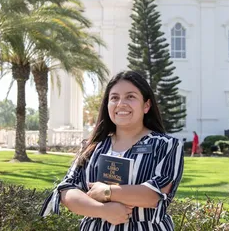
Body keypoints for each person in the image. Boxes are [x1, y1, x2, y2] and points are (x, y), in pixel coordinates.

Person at [41, 70, 184, 230]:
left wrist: (106, 192)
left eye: (131, 96)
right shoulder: (91, 146)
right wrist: (104, 211)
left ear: (146, 105)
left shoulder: (166, 145)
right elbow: (67, 190)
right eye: (114, 98)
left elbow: (154, 195)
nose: (121, 103)